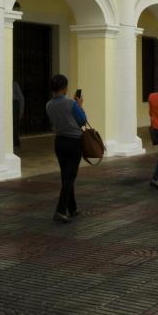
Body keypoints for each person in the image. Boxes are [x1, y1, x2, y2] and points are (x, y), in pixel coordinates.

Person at [45, 74, 87, 224]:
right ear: (64, 88)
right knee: (70, 176)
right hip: (74, 142)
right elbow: (82, 120)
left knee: (66, 175)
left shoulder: (49, 104)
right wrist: (80, 105)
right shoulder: (71, 103)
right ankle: (61, 210)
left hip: (60, 141)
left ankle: (72, 207)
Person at [13, 81, 25, 151]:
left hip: (14, 105)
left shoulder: (15, 84)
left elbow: (21, 98)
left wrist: (21, 111)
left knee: (14, 126)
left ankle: (16, 143)